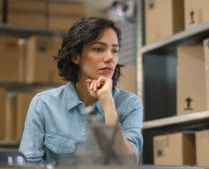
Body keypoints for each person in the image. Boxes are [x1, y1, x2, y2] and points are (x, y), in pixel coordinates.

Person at [19, 17, 143, 164]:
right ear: (75, 56)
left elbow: (128, 163)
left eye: (115, 50)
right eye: (98, 49)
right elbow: (27, 165)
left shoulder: (130, 104)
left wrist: (108, 102)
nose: (110, 57)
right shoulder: (44, 104)